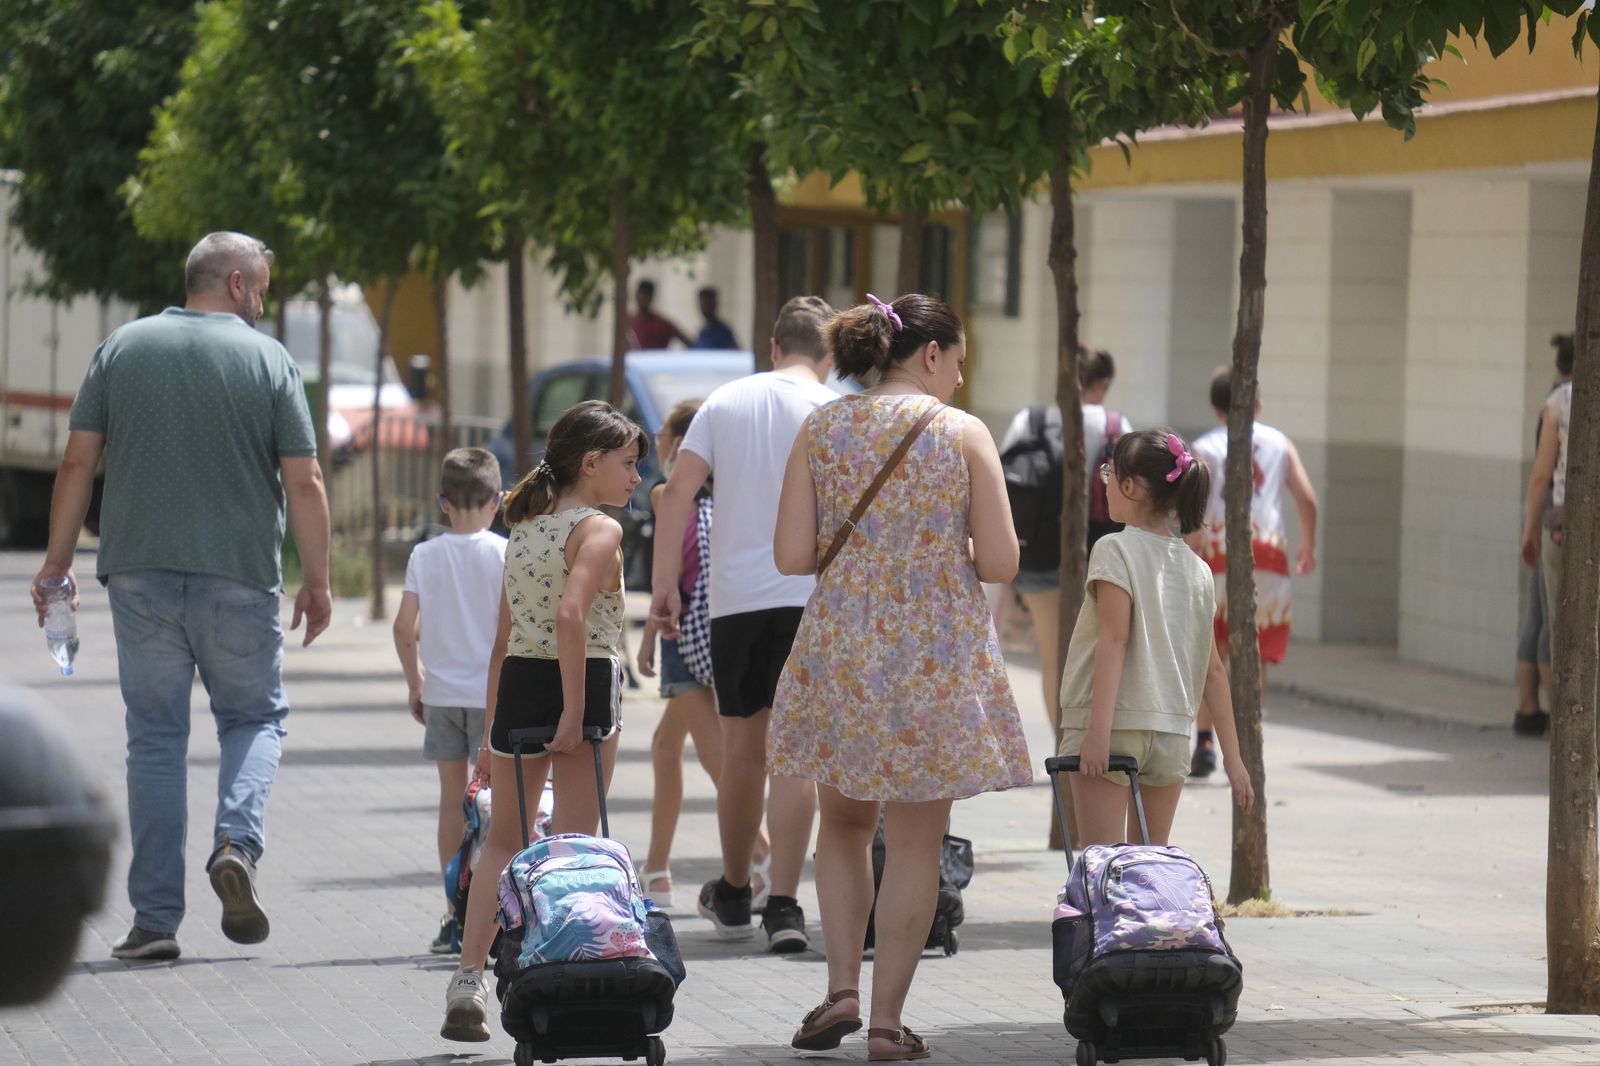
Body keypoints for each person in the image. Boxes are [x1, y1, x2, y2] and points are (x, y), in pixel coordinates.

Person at [29, 231, 332, 961]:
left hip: (138, 574)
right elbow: (305, 480)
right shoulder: (269, 360)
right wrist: (319, 579)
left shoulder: (123, 348)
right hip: (237, 575)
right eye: (259, 286)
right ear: (234, 283)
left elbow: (77, 461)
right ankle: (237, 841)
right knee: (254, 717)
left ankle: (155, 920)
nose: (262, 299)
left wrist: (57, 565)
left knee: (156, 741)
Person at [768, 292, 1034, 1061]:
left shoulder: (823, 427)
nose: (959, 377)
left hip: (842, 649)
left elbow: (790, 555)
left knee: (843, 827)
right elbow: (1002, 561)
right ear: (929, 355)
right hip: (936, 655)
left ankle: (840, 989)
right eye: (957, 362)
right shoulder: (963, 433)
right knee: (917, 842)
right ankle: (887, 1023)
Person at [442, 400, 647, 1042]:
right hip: (579, 683)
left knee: (502, 840)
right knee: (573, 846)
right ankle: (559, 970)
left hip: (520, 687)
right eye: (628, 463)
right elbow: (571, 616)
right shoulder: (600, 529)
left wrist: (487, 737)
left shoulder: (523, 528)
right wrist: (574, 711)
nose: (636, 477)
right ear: (592, 463)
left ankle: (468, 975)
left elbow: (502, 642)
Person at [649, 295, 837, 953]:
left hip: (734, 604)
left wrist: (664, 586)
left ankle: (733, 892)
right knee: (797, 758)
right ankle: (784, 905)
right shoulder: (834, 409)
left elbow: (678, 491)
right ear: (830, 353)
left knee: (743, 754)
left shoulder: (724, 402)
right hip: (811, 599)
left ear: (773, 346)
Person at [1058, 428, 1255, 848]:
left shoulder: (1115, 550)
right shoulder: (1199, 570)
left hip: (1113, 726)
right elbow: (1214, 672)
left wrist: (1098, 730)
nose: (1104, 481)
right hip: (1171, 734)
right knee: (1150, 871)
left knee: (1104, 871)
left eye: (1108, 472)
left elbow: (1114, 639)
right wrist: (1233, 760)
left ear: (1130, 486)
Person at [634, 400, 770, 909]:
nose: (658, 438)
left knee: (722, 757)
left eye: (665, 431)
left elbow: (666, 578)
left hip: (682, 640)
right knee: (666, 746)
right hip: (717, 634)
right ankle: (657, 871)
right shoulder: (727, 499)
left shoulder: (670, 493)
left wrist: (649, 636)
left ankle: (762, 856)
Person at [392, 447, 507, 953]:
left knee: (451, 801)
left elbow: (403, 628)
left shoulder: (424, 555)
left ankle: (452, 912)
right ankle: (494, 911)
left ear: (442, 502)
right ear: (498, 502)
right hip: (493, 695)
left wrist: (414, 682)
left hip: (440, 693)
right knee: (497, 806)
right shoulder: (505, 553)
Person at [1186, 368, 1318, 778]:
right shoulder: (1279, 442)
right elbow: (1307, 499)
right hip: (1268, 554)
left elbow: (1194, 509)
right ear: (1257, 404)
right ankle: (1247, 741)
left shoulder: (1205, 446)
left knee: (1212, 655)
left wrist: (1186, 556)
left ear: (1214, 407)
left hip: (1218, 551)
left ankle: (1206, 743)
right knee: (1253, 652)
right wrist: (1308, 544)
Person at [1000, 346, 1133, 736]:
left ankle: (1065, 743)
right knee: (1101, 651)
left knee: (1055, 656)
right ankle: (1094, 738)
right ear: (1102, 383)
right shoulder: (1115, 423)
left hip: (1039, 556)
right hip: (1102, 557)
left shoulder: (1032, 420)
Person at [1512, 333, 1572, 737]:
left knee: (1545, 620)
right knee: (1546, 623)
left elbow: (1540, 475)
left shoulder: (1557, 400)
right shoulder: (1561, 402)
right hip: (1558, 521)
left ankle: (1536, 711)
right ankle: (1544, 714)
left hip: (1556, 524)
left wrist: (1531, 527)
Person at [628, 278, 691, 350]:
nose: (643, 299)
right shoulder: (629, 322)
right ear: (636, 296)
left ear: (651, 297)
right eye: (641, 294)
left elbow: (688, 342)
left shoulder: (662, 324)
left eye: (646, 295)